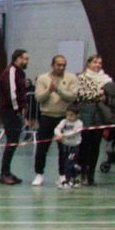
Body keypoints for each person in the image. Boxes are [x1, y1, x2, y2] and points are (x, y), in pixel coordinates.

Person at [73, 55, 115, 186]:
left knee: (95, 146)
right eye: (95, 62)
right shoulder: (81, 77)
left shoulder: (106, 79)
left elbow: (112, 95)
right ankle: (82, 174)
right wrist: (99, 94)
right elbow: (82, 95)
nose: (98, 65)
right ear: (88, 63)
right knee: (84, 145)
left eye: (100, 63)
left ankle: (91, 175)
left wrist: (102, 95)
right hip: (86, 115)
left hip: (100, 117)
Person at [32, 54, 76, 186]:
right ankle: (39, 174)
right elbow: (38, 98)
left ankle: (63, 175)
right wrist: (49, 90)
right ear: (52, 65)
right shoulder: (43, 78)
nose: (61, 67)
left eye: (64, 65)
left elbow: (72, 96)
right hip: (47, 116)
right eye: (59, 65)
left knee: (64, 149)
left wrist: (59, 90)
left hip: (64, 118)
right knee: (42, 148)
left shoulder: (71, 78)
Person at [0, 48, 31, 185]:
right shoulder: (11, 72)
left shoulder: (20, 73)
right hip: (10, 112)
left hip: (16, 112)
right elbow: (12, 92)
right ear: (18, 58)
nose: (27, 61)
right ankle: (4, 173)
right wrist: (17, 110)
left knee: (14, 142)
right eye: (25, 58)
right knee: (11, 142)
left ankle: (7, 171)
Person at [53, 106, 85, 188]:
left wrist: (63, 135)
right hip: (65, 146)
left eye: (71, 115)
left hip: (74, 147)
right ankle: (73, 179)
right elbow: (57, 129)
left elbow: (74, 132)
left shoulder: (79, 123)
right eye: (67, 115)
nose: (69, 117)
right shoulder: (64, 121)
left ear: (77, 115)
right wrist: (59, 134)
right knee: (66, 163)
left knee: (69, 163)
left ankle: (67, 180)